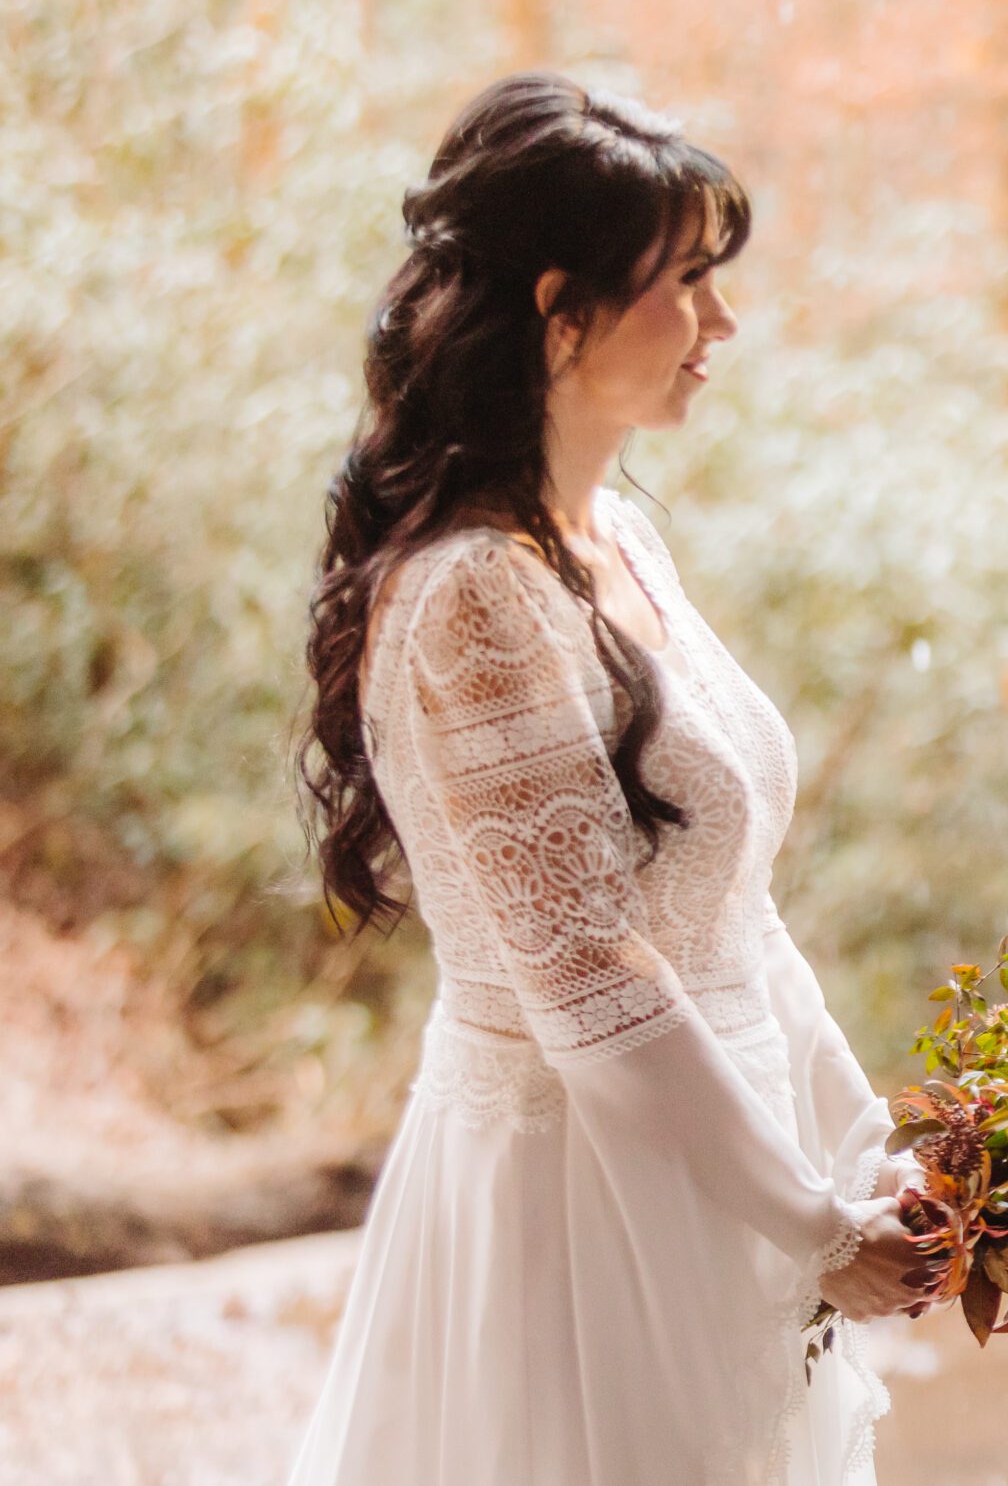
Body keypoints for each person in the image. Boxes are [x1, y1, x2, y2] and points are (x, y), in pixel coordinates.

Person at [290, 73, 934, 1486]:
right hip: (575, 1216)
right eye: (687, 284)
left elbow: (732, 917)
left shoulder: (621, 548)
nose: (723, 323)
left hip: (725, 1169)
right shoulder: (471, 595)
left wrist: (875, 1158)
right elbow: (594, 985)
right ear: (557, 306)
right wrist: (815, 1225)